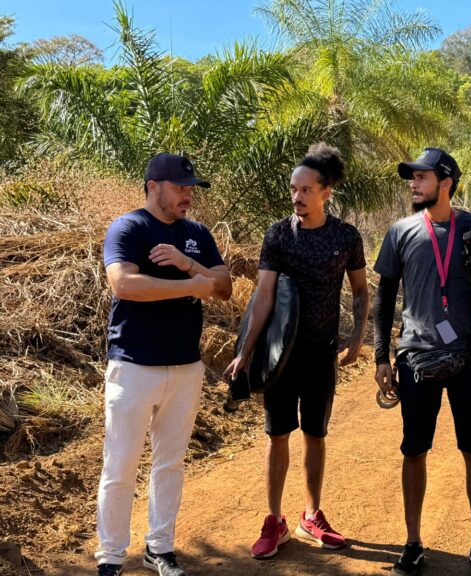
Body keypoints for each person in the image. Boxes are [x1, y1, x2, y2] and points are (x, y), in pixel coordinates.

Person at [224, 143, 369, 560]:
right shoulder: (278, 235)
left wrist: (357, 337)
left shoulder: (345, 236)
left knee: (316, 435)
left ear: (326, 192)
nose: (296, 196)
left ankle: (311, 515)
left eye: (305, 190)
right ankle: (274, 520)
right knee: (277, 434)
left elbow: (360, 291)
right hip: (280, 356)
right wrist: (246, 352)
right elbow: (264, 297)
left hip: (322, 354)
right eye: (293, 189)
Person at [96, 153, 233, 576]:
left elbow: (224, 288)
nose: (187, 195)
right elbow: (124, 284)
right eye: (180, 187)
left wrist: (190, 265)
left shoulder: (197, 233)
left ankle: (160, 547)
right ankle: (111, 555)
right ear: (154, 186)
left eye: (191, 187)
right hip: (134, 366)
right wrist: (192, 287)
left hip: (185, 368)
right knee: (120, 464)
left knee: (169, 463)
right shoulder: (129, 227)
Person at [373, 148, 471, 576]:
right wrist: (381, 357)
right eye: (412, 178)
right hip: (416, 358)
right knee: (414, 451)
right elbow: (384, 297)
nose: (413, 184)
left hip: (470, 356)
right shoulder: (401, 231)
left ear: (445, 182)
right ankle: (413, 543)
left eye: (421, 177)